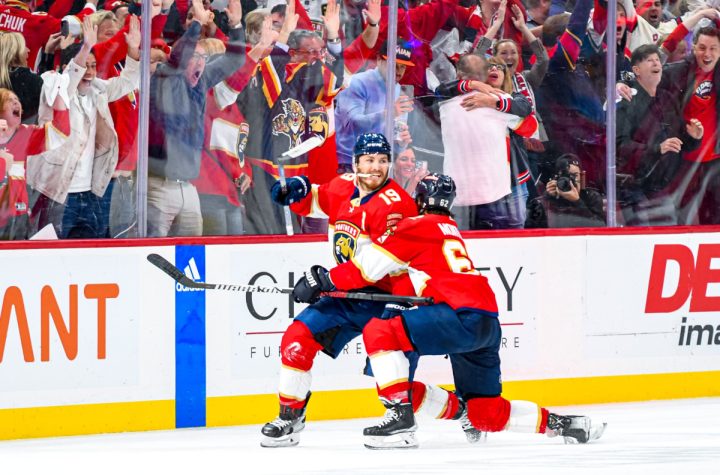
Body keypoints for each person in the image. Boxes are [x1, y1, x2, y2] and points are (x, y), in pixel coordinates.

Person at [293, 173, 607, 449]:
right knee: (485, 414)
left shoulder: (415, 225)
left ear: (419, 199)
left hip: (457, 315)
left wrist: (323, 280)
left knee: (380, 331)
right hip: (486, 323)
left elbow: (366, 270)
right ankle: (567, 424)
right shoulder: (449, 227)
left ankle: (400, 421)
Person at [260, 133, 473, 448]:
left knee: (396, 385)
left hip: (390, 299)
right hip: (347, 296)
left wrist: (325, 280)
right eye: (370, 160)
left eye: (383, 161)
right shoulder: (344, 184)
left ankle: (459, 412)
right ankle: (290, 418)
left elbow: (377, 266)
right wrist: (298, 192)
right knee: (296, 341)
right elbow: (321, 200)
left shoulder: (395, 205)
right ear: (356, 162)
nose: (376, 167)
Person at [28, 15, 140, 239]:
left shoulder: (98, 90)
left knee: (89, 258)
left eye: (93, 66)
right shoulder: (54, 85)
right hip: (56, 194)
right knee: (54, 258)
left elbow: (128, 82)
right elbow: (69, 80)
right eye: (84, 66)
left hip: (89, 194)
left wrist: (133, 50)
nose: (90, 71)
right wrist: (87, 45)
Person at [146, 0, 247, 237]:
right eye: (194, 58)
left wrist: (236, 24)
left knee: (193, 253)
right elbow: (178, 58)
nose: (200, 63)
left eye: (203, 58)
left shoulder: (201, 81)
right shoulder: (165, 77)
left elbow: (235, 60)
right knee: (153, 251)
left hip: (187, 186)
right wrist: (197, 24)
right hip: (158, 186)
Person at [616, 44, 703, 226]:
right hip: (636, 187)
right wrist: (657, 149)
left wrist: (694, 138)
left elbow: (679, 142)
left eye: (657, 60)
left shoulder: (667, 98)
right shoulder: (626, 100)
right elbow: (619, 145)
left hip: (666, 186)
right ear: (636, 70)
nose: (656, 63)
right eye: (650, 60)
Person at [334, 38, 415, 173]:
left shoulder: (398, 90)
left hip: (377, 164)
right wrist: (388, 114)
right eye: (394, 65)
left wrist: (401, 143)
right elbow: (352, 123)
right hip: (348, 162)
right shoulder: (357, 82)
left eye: (403, 66)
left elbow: (394, 137)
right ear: (379, 60)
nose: (399, 71)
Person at [0, 87, 69, 239]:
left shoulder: (25, 133)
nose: (16, 103)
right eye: (10, 100)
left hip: (18, 218)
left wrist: (58, 91)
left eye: (17, 100)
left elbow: (60, 133)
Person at [525, 155, 606, 228]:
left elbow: (600, 227)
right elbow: (531, 232)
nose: (570, 180)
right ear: (555, 178)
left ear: (582, 177)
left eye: (574, 175)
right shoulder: (544, 201)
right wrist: (547, 197)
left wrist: (577, 202)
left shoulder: (591, 197)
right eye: (565, 176)